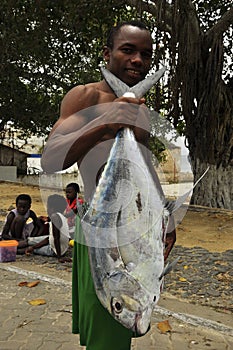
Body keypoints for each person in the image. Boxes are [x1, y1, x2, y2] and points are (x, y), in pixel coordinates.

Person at [41, 21, 176, 350]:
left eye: (146, 54)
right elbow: (52, 159)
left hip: (137, 227)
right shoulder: (85, 97)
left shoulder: (140, 111)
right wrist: (106, 121)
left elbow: (142, 165)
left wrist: (165, 219)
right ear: (107, 54)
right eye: (127, 50)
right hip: (101, 226)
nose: (137, 61)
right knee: (107, 323)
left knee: (117, 325)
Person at [25, 194, 71, 261]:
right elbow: (50, 238)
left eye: (48, 207)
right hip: (55, 245)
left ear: (52, 208)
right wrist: (34, 246)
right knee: (29, 241)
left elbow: (56, 238)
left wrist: (59, 257)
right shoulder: (60, 216)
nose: (47, 209)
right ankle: (16, 245)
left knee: (27, 247)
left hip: (54, 250)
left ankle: (13, 248)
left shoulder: (55, 217)